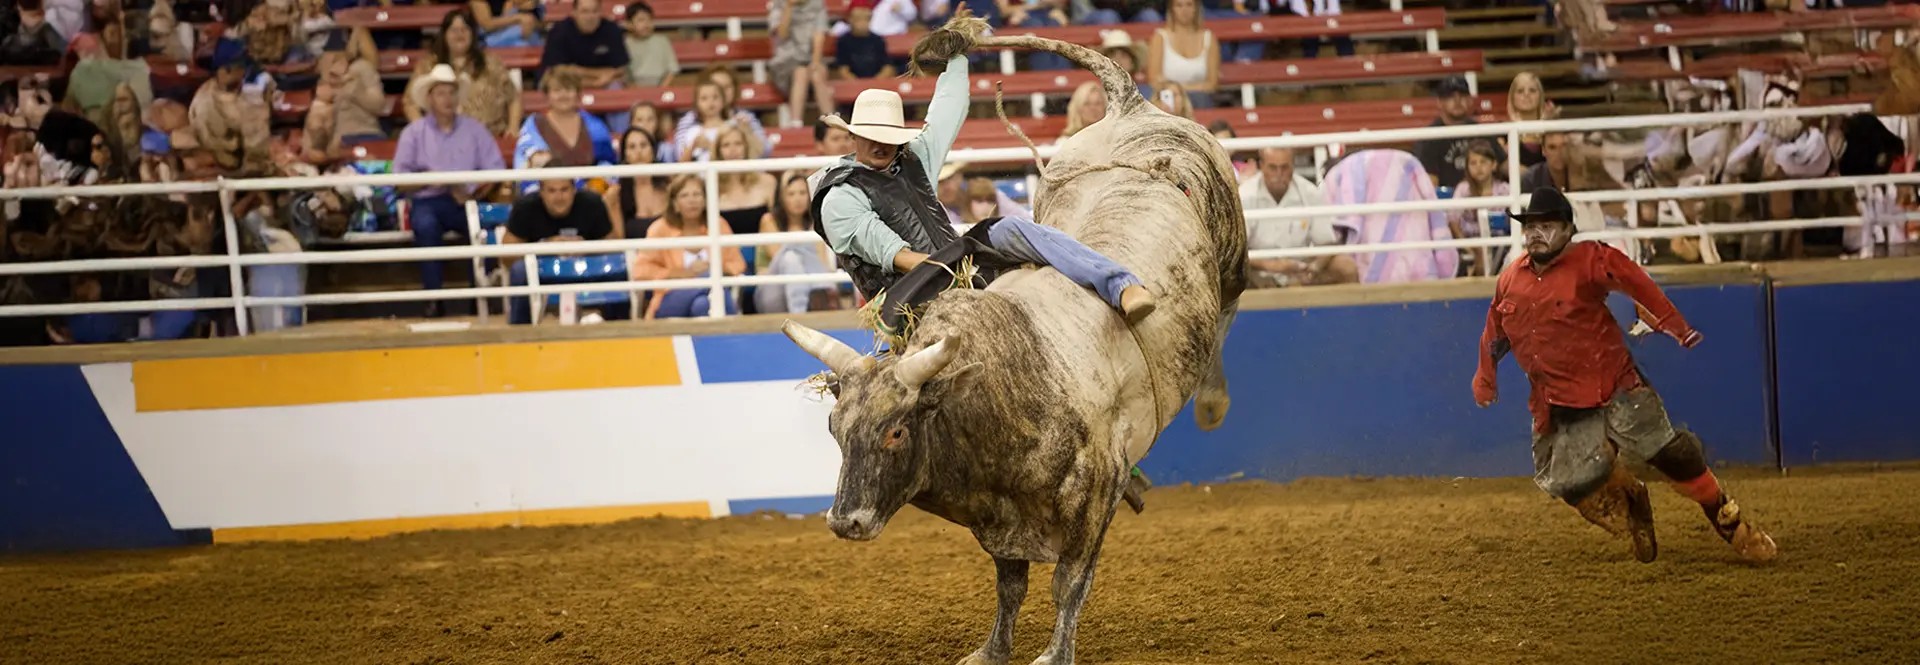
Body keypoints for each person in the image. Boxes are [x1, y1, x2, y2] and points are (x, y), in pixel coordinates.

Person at [1472, 187, 1777, 565]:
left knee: (1672, 455)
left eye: (1546, 225)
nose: (1536, 234)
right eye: (1531, 226)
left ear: (1567, 230)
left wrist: (1674, 325)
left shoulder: (1592, 260)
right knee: (1569, 482)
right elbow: (1495, 330)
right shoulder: (1510, 279)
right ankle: (1631, 496)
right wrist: (1485, 374)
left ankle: (1730, 522)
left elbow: (1637, 283)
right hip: (1559, 402)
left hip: (1615, 385)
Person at [810, 40, 1158, 337]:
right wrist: (959, 272)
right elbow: (897, 256)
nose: (881, 145)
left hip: (956, 262)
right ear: (853, 136)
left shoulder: (911, 158)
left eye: (888, 137)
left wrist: (958, 54)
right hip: (909, 297)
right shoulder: (840, 197)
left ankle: (1120, 285)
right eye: (871, 137)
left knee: (1010, 228)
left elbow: (949, 109)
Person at [393, 63, 508, 316]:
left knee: (483, 229)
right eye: (441, 93)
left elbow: (495, 170)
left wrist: (473, 191)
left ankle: (479, 297)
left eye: (451, 92)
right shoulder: (414, 133)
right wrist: (431, 179)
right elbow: (399, 180)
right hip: (427, 200)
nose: (447, 98)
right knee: (425, 226)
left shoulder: (475, 130)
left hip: (464, 200)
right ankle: (434, 298)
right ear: (430, 98)